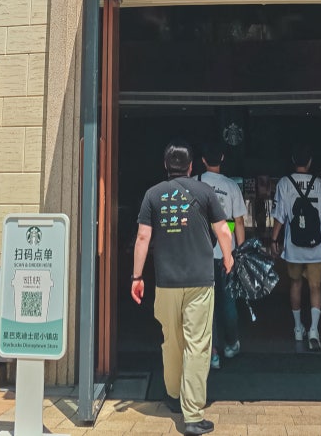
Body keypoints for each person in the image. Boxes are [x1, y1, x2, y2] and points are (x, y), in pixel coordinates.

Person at [132, 140, 233, 436]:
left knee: (172, 341)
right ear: (191, 166)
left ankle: (174, 396)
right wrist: (228, 258)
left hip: (166, 282)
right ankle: (193, 415)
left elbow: (142, 237)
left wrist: (137, 277)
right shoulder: (205, 192)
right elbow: (223, 230)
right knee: (197, 345)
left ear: (166, 165)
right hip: (200, 281)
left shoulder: (152, 195)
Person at [270, 144, 321, 351]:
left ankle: (298, 328)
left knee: (295, 283)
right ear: (310, 162)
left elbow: (279, 216)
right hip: (317, 247)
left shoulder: (284, 183)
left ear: (293, 161)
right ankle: (314, 330)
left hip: (294, 247)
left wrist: (274, 240)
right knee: (315, 286)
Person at [199, 141, 246, 369]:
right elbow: (239, 222)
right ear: (223, 159)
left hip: (200, 254)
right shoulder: (231, 186)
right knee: (228, 300)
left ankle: (212, 352)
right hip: (227, 252)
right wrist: (241, 251)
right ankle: (231, 343)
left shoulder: (195, 183)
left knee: (205, 304)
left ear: (202, 160)